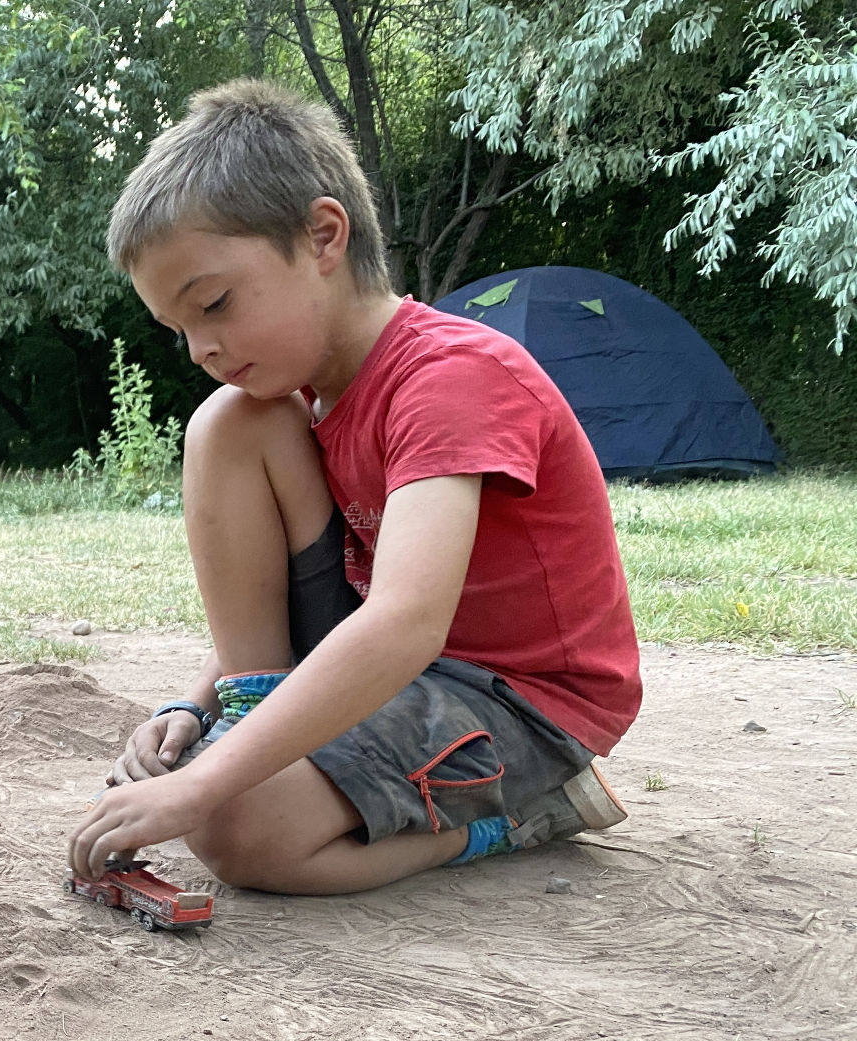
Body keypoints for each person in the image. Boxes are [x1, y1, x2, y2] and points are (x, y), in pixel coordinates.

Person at [70, 81, 639, 895]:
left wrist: (203, 783)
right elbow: (309, 594)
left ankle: (525, 814)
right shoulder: (298, 398)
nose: (201, 347)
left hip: (517, 701)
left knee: (236, 828)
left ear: (323, 235)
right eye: (182, 331)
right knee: (227, 423)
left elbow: (405, 620)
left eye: (216, 304)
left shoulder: (451, 378)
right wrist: (198, 710)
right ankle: (249, 713)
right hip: (404, 666)